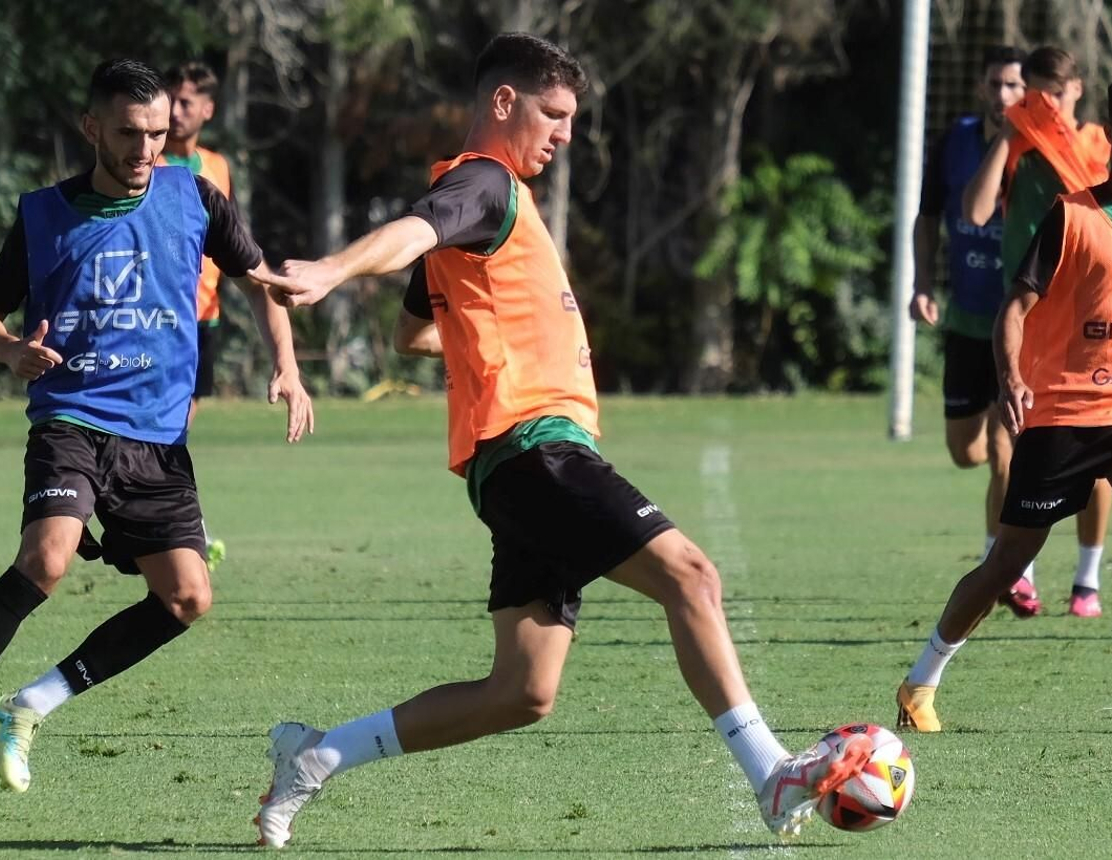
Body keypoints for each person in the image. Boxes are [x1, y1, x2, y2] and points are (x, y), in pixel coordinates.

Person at [249, 33, 871, 849]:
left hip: (513, 467)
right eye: (555, 113)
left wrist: (494, 334)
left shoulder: (485, 203)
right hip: (537, 449)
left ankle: (317, 755)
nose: (566, 133)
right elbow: (411, 231)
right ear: (504, 102)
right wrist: (331, 269)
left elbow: (412, 334)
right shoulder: (483, 184)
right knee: (692, 576)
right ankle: (770, 773)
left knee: (523, 691)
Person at [0, 59, 314, 793]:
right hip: (72, 418)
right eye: (128, 132)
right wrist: (11, 351)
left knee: (188, 598)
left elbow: (261, 283)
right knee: (47, 559)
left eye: (155, 133)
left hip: (156, 439)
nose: (145, 149)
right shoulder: (43, 215)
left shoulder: (196, 196)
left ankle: (29, 706)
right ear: (92, 129)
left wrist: (287, 363)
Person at [896, 74, 1112, 735]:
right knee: (1007, 565)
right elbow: (1014, 308)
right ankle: (920, 682)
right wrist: (1013, 377)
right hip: (1065, 414)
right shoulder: (1073, 215)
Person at [959, 45, 1112, 618]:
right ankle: (1017, 571)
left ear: (1075, 90)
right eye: (1032, 93)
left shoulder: (1100, 143)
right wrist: (1009, 134)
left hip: (1092, 320)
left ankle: (1087, 578)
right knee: (1013, 443)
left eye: (1051, 92)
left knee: (1099, 451)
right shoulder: (1019, 143)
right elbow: (975, 212)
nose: (1041, 103)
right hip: (1025, 318)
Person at [909, 46, 1039, 612]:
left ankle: (1009, 569)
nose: (1004, 95)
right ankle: (1007, 560)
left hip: (1022, 324)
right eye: (996, 84)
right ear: (983, 88)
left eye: (1015, 85)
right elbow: (928, 216)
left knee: (1005, 448)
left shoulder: (1043, 146)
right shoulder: (954, 141)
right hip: (965, 321)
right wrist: (922, 283)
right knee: (967, 451)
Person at [160, 60, 236, 570]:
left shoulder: (217, 166)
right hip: (160, 316)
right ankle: (183, 528)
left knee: (178, 422)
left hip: (205, 316)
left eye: (187, 102)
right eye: (172, 100)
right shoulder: (152, 167)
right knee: (168, 424)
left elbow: (229, 238)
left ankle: (174, 523)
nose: (176, 110)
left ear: (207, 110)